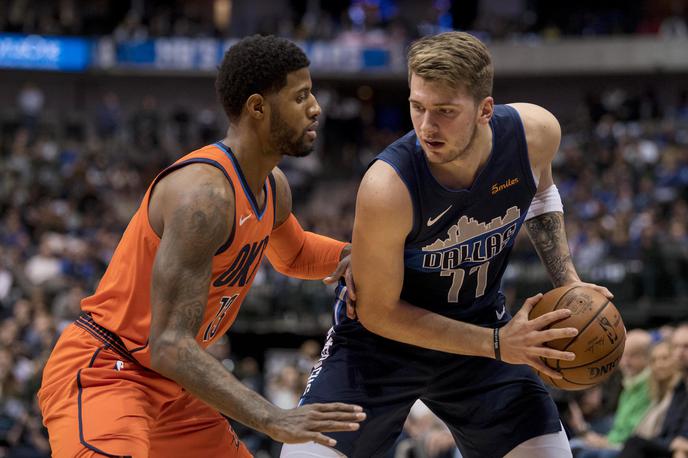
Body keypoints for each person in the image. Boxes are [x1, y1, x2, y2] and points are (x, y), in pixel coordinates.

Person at [281, 31, 614, 458]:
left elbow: (542, 194)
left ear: (484, 110)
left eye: (445, 111)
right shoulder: (388, 185)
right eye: (417, 107)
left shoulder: (536, 133)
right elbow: (378, 312)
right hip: (381, 349)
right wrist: (497, 344)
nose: (426, 126)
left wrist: (570, 282)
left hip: (480, 330)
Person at [37, 35, 366, 458]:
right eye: (301, 96)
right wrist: (272, 417)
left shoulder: (273, 187)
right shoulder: (206, 197)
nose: (316, 107)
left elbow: (296, 254)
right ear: (258, 107)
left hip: (175, 387)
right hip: (111, 370)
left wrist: (353, 255)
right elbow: (170, 344)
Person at [574, 329, 653, 458]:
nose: (626, 362)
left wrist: (605, 442)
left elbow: (634, 431)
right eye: (624, 356)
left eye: (633, 356)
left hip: (627, 445)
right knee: (574, 444)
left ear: (647, 357)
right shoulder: (629, 382)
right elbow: (619, 426)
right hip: (614, 438)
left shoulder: (649, 385)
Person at [619, 324, 688, 458]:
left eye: (686, 346)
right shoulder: (678, 389)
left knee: (634, 443)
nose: (680, 352)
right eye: (676, 347)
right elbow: (668, 432)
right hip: (670, 446)